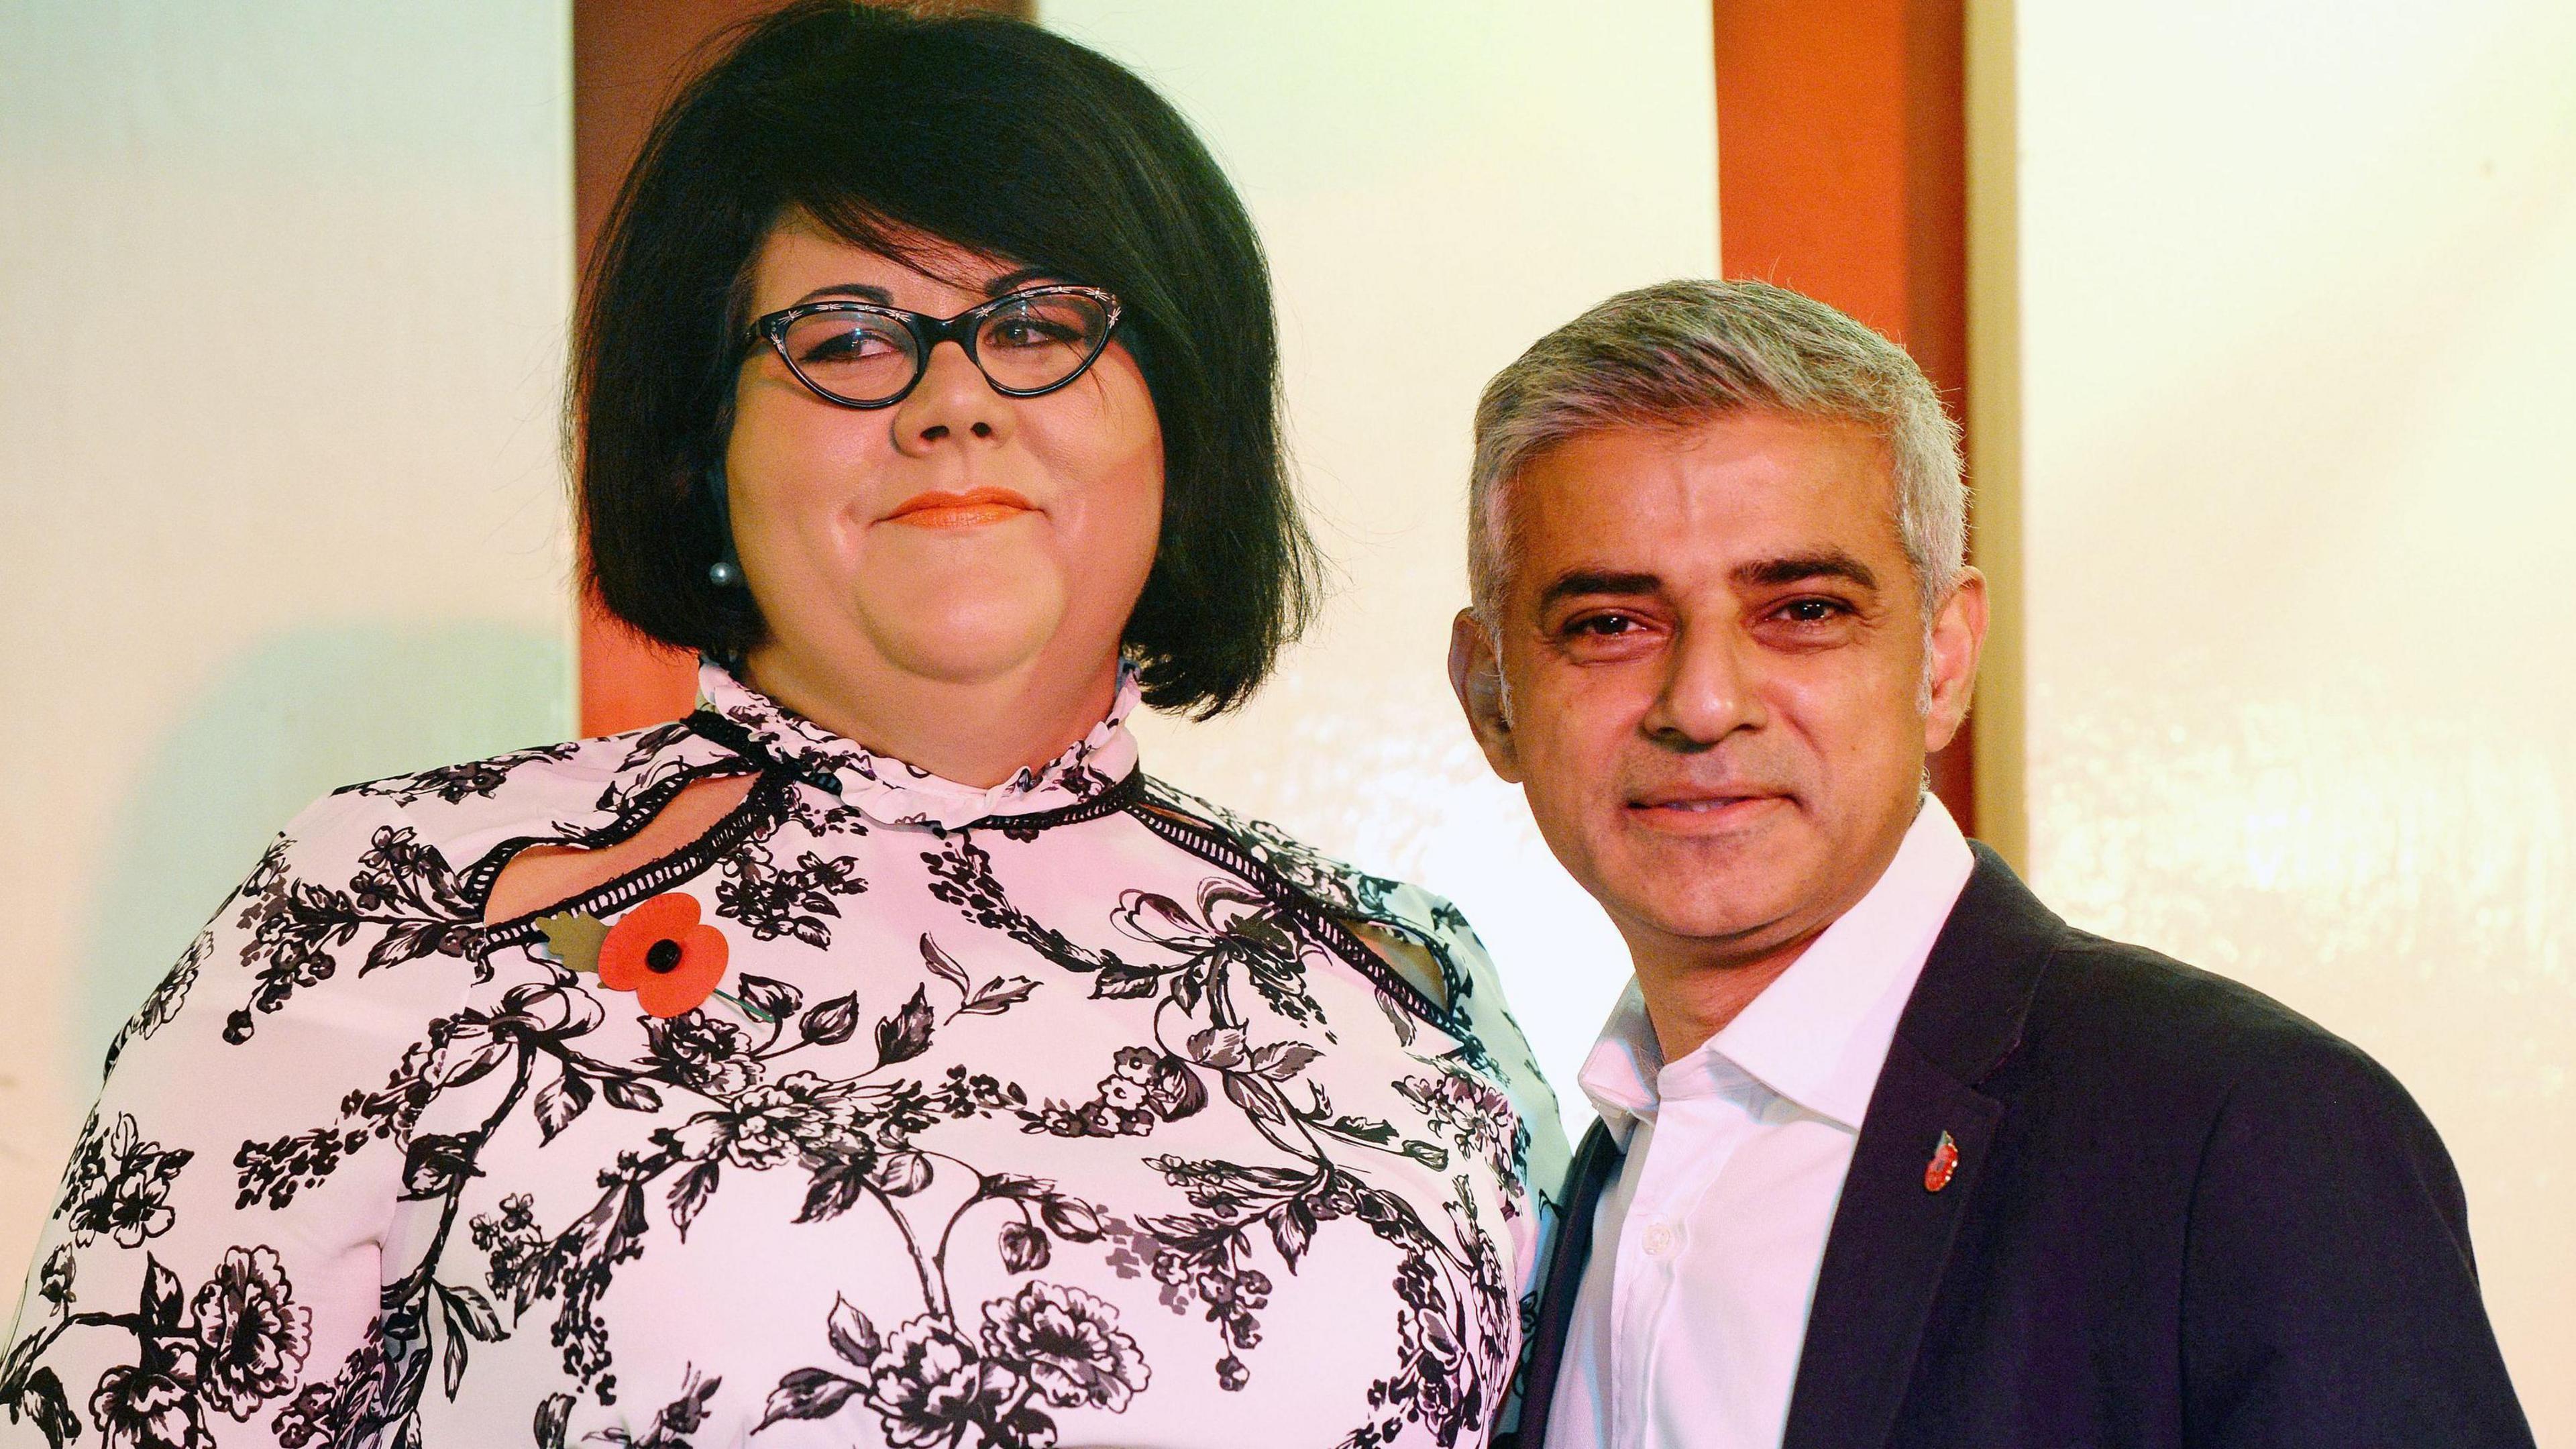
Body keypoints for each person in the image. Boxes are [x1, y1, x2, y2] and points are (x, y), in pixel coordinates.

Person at [0, 7, 1566, 1446]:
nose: (953, 401)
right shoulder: (396, 906)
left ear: (1186, 418)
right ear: (704, 444)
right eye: (848, 336)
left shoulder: (1405, 979)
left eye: (1038, 325)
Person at [1447, 279, 2533, 1449]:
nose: (1704, 704)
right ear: (1491, 696)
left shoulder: (2249, 1133)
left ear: (1944, 660)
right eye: (1611, 623)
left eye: (1804, 610)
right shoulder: (1523, 1190)